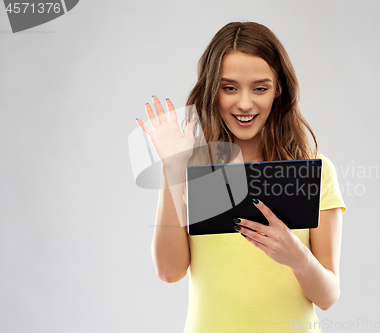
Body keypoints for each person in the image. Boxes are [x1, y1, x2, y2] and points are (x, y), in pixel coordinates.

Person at [136, 21, 346, 333]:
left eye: (260, 88)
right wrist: (173, 170)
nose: (244, 103)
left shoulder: (314, 170)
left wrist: (298, 258)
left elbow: (328, 297)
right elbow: (169, 272)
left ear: (279, 90)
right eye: (229, 87)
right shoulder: (193, 170)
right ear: (212, 91)